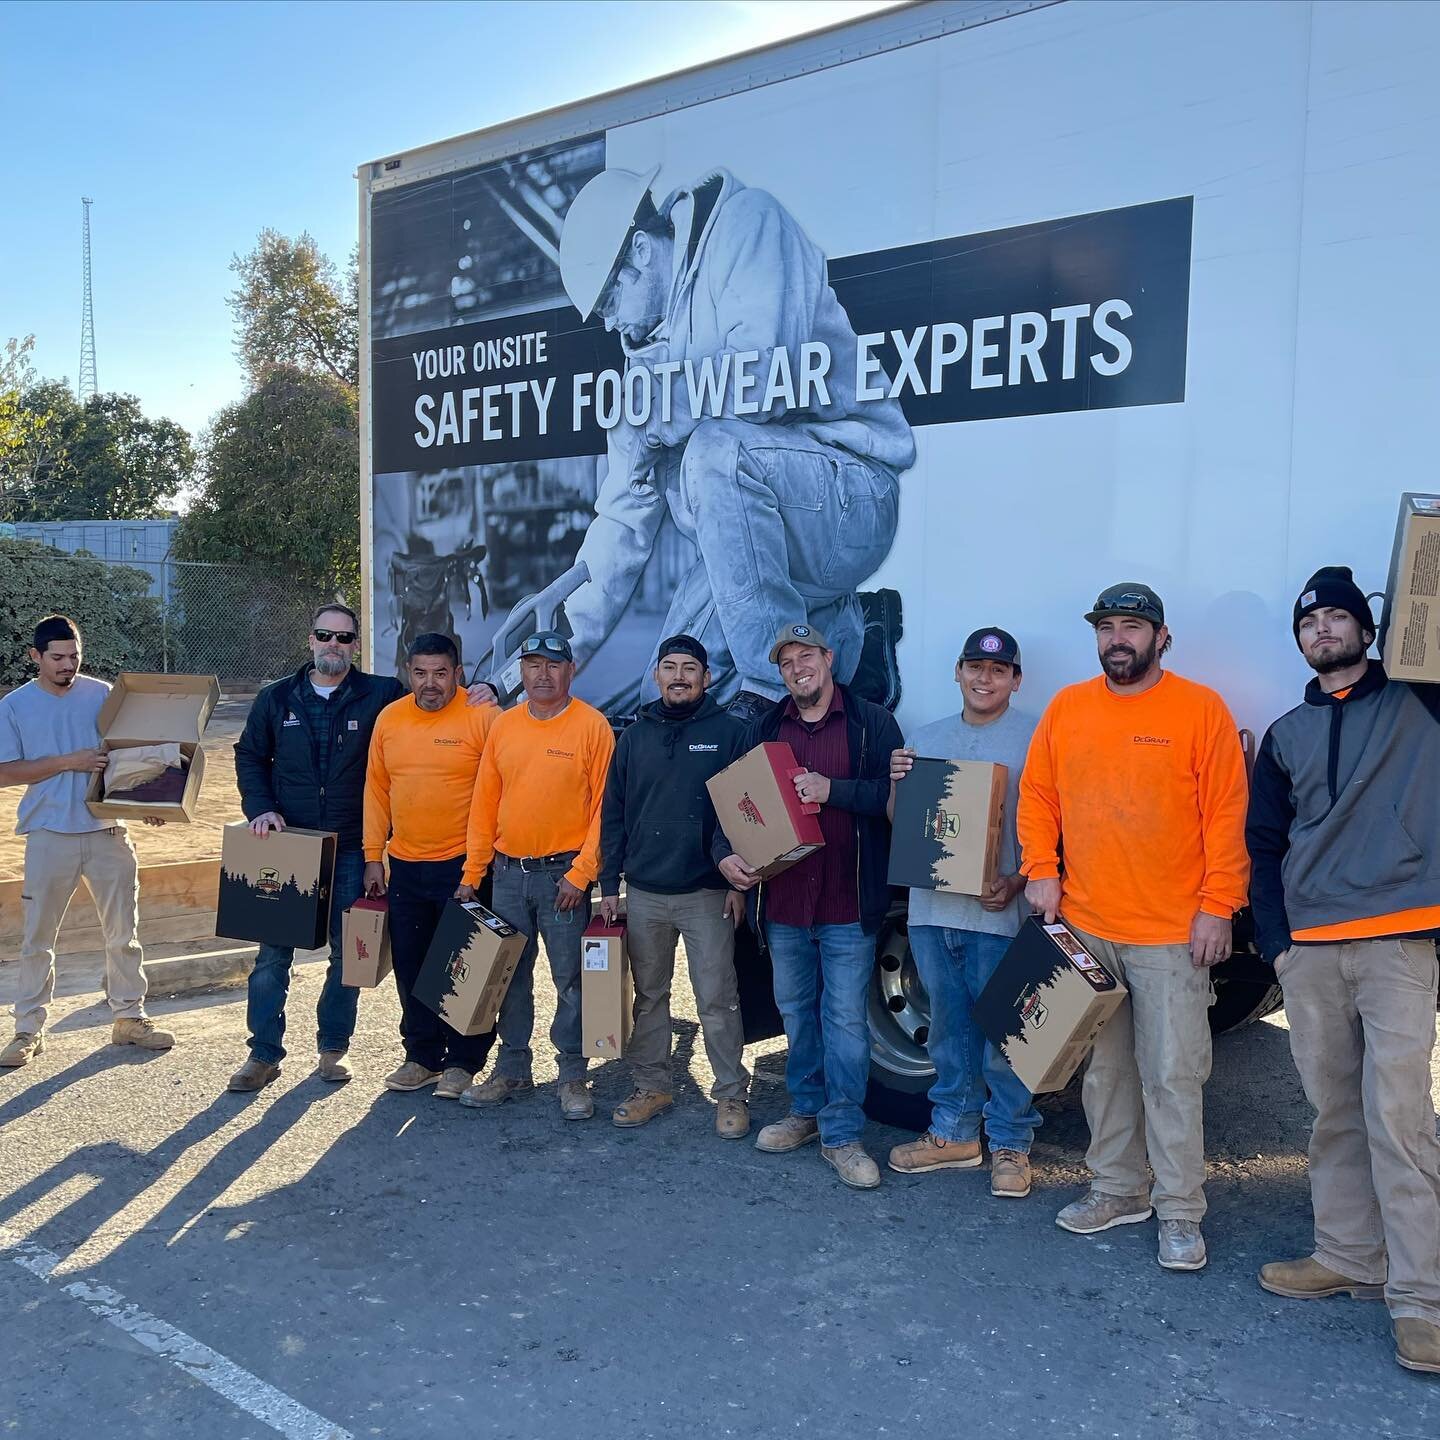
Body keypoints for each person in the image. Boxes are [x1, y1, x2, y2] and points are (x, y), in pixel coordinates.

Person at [502, 165, 917, 718]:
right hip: (756, 536)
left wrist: (662, 416)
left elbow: (763, 384)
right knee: (671, 687)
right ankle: (855, 652)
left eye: (608, 303)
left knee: (714, 451)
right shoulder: (641, 371)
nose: (610, 326)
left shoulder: (749, 227)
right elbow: (621, 527)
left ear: (643, 252)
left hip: (854, 495)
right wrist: (525, 671)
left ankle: (773, 694)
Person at [1017, 583, 1249, 1271]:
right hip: (1088, 925)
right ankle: (1118, 1190)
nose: (1118, 638)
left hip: (1173, 935)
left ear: (1160, 637)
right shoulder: (1068, 708)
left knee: (1173, 1077)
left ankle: (1181, 1213)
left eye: (1132, 627)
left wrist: (1218, 907)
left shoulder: (1199, 709)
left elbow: (1226, 816)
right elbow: (1038, 795)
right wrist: (1041, 868)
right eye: (1107, 627)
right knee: (1105, 1074)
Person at [1246, 566, 1440, 1375]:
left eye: (1336, 617)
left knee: (1399, 1119)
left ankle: (1420, 1298)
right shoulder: (1287, 732)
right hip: (1313, 949)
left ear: (1368, 629)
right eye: (1309, 623)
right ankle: (1348, 1255)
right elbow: (1263, 844)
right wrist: (1278, 944)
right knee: (1333, 1114)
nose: (1322, 630)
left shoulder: (1422, 702)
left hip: (1399, 941)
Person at [715, 623, 902, 1190]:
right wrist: (726, 858)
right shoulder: (765, 727)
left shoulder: (872, 723)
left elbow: (893, 798)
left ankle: (842, 1136)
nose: (799, 667)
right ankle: (805, 1112)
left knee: (845, 1021)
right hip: (787, 906)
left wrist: (832, 790)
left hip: (847, 903)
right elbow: (731, 804)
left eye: (807, 656)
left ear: (829, 658)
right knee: (798, 1014)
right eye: (787, 661)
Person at [886, 627, 1040, 1196]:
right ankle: (953, 1132)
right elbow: (902, 824)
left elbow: (1054, 824)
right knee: (949, 1032)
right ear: (957, 672)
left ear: (1015, 680)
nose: (985, 678)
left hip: (1002, 912)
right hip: (932, 913)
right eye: (975, 667)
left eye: (999, 671)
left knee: (1008, 1033)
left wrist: (1019, 880)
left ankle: (1010, 1144)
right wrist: (897, 782)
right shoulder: (924, 739)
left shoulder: (1036, 738)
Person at [229, 604, 407, 1092]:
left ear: (356, 645)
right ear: (310, 640)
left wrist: (486, 691)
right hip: (289, 845)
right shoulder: (276, 698)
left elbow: (434, 704)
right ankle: (262, 1055)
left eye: (344, 638)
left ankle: (332, 1049)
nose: (334, 644)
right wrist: (260, 807)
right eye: (325, 635)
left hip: (352, 845)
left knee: (347, 955)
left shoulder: (383, 696)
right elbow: (249, 755)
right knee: (272, 958)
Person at [0, 615, 174, 1066]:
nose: (67, 665)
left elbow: (129, 756)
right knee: (38, 937)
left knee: (123, 933)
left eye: (74, 656)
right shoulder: (15, 706)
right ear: (35, 657)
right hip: (48, 833)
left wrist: (151, 800)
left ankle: (129, 1018)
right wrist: (69, 762)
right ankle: (27, 1030)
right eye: (57, 657)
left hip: (108, 831)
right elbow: (5, 772)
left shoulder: (103, 696)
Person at [597, 634, 751, 1137]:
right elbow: (614, 814)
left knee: (717, 998)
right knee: (649, 996)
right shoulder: (635, 737)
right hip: (644, 892)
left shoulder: (730, 733)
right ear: (657, 675)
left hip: (707, 892)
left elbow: (745, 811)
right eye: (670, 667)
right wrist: (610, 884)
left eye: (690, 668)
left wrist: (740, 884)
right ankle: (652, 1085)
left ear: (707, 679)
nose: (680, 676)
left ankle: (730, 1095)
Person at [460, 632, 615, 1118]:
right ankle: (512, 1069)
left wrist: (581, 874)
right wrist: (473, 872)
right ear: (520, 673)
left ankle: (573, 1075)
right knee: (508, 976)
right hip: (507, 875)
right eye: (532, 665)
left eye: (553, 665)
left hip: (562, 878)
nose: (542, 675)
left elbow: (605, 811)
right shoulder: (503, 728)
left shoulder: (592, 727)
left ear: (571, 671)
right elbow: (485, 805)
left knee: (572, 980)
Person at [362, 632, 498, 1096]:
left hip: (464, 866)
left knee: (465, 969)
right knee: (413, 966)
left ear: (458, 674)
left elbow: (497, 793)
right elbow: (377, 791)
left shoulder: (483, 715)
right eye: (420, 673)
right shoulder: (390, 719)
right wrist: (372, 856)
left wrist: (475, 870)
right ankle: (422, 1056)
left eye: (440, 673)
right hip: (404, 865)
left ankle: (464, 1061)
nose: (430, 683)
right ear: (408, 673)